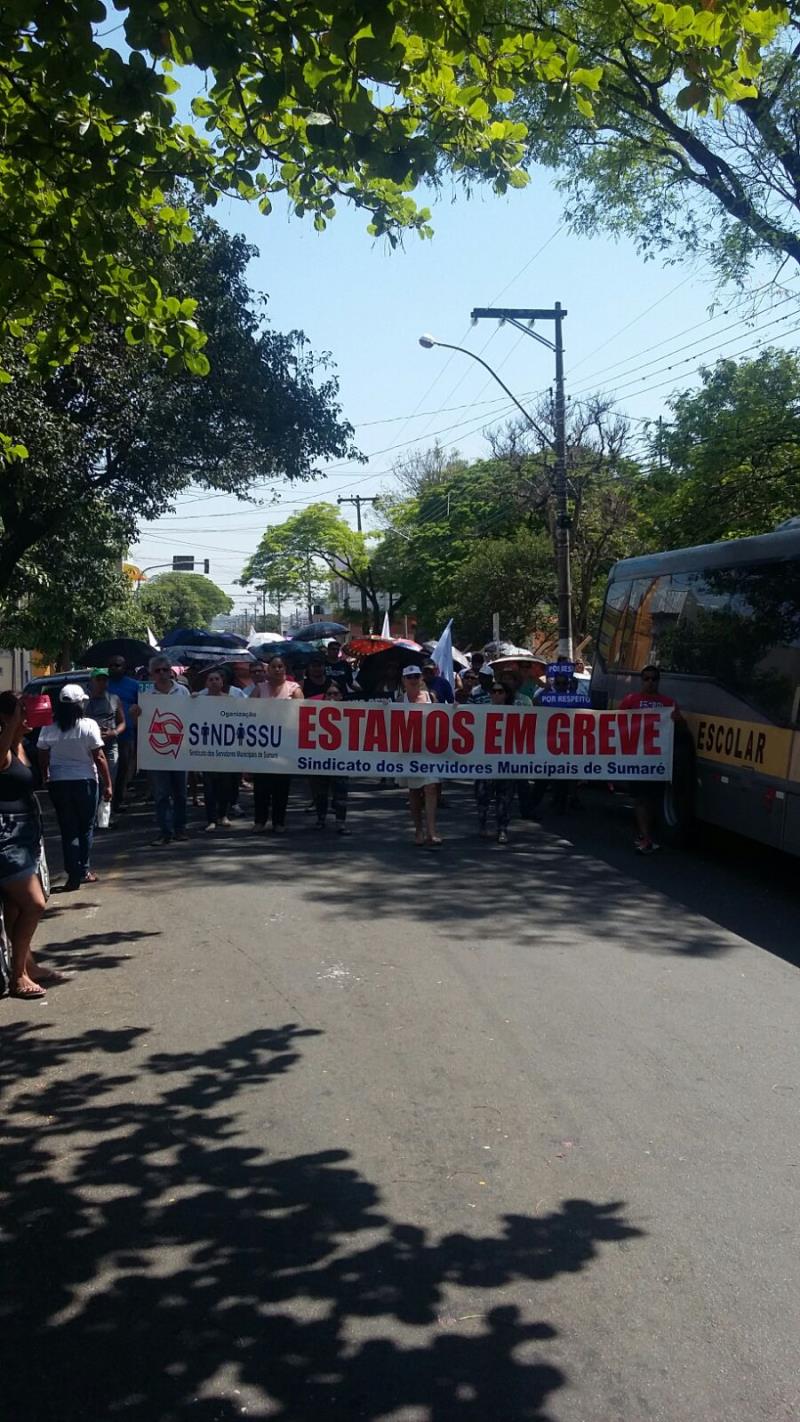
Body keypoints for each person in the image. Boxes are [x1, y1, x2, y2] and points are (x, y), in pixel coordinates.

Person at [0, 692, 52, 999]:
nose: (31, 713)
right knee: (34, 903)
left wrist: (20, 727)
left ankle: (25, 964)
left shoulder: (21, 745)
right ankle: (17, 976)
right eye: (24, 709)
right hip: (6, 838)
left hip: (27, 833)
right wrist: (13, 723)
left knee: (17, 906)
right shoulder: (5, 749)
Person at [38, 684, 112, 890]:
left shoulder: (49, 727)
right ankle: (83, 869)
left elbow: (42, 754)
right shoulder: (88, 725)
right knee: (85, 828)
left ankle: (73, 873)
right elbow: (99, 757)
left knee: (68, 829)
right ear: (81, 703)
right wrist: (108, 784)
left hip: (59, 783)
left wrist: (46, 775)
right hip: (85, 782)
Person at [619, 665, 682, 855]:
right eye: (646, 678)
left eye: (654, 679)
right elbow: (615, 724)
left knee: (652, 800)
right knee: (640, 799)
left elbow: (680, 728)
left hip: (657, 761)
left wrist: (677, 720)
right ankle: (645, 836)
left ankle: (645, 834)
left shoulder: (668, 703)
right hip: (637, 760)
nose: (650, 682)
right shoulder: (631, 700)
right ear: (641, 680)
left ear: (658, 681)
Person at [138, 654, 190, 846]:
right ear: (151, 674)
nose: (161, 674)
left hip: (180, 751)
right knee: (161, 795)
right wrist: (136, 714)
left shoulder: (183, 692)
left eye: (165, 670)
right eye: (157, 671)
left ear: (171, 672)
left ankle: (180, 829)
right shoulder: (146, 698)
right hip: (156, 753)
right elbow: (142, 726)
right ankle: (165, 832)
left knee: (180, 793)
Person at [251, 655, 303, 833]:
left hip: (285, 745)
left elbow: (302, 714)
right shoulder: (259, 689)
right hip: (262, 743)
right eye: (273, 666)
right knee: (261, 786)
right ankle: (260, 820)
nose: (277, 669)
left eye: (280, 666)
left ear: (285, 669)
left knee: (281, 785)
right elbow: (246, 710)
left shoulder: (294, 689)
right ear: (268, 670)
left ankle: (279, 822)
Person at [192, 668, 243, 830]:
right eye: (210, 679)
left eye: (217, 679)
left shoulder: (230, 700)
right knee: (209, 786)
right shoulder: (199, 698)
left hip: (226, 747)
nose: (214, 682)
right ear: (206, 683)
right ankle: (211, 819)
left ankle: (223, 815)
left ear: (222, 682)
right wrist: (191, 699)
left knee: (225, 785)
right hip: (206, 748)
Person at [397, 665, 441, 847]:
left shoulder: (431, 697)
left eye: (416, 676)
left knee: (431, 787)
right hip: (409, 752)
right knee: (414, 792)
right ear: (404, 681)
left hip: (430, 751)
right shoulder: (399, 701)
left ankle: (432, 831)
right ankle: (418, 830)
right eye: (409, 677)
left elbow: (443, 717)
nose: (413, 679)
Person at [474, 681, 519, 844]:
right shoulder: (481, 712)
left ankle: (502, 829)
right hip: (485, 762)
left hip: (507, 762)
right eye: (493, 691)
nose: (496, 694)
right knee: (483, 797)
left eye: (500, 691)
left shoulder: (516, 713)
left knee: (504, 799)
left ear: (506, 694)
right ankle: (482, 826)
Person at [86, 668, 125, 817]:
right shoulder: (85, 701)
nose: (102, 683)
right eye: (99, 679)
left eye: (104, 679)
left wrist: (114, 732)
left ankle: (106, 817)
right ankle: (93, 814)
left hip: (110, 745)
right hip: (90, 746)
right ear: (92, 681)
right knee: (93, 780)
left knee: (110, 780)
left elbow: (122, 723)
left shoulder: (114, 698)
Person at [311, 685, 349, 833]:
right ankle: (320, 819)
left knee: (341, 793)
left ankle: (341, 823)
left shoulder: (351, 712)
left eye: (336, 693)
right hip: (320, 759)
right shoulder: (314, 713)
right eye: (329, 694)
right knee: (320, 793)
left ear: (341, 696)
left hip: (341, 760)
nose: (332, 697)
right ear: (324, 696)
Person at [107, 654, 139, 811]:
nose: (113, 668)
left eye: (117, 665)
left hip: (126, 734)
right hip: (104, 735)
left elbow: (142, 707)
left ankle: (117, 800)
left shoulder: (134, 685)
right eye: (111, 665)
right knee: (106, 769)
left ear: (124, 667)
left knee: (123, 768)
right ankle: (107, 803)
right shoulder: (102, 683)